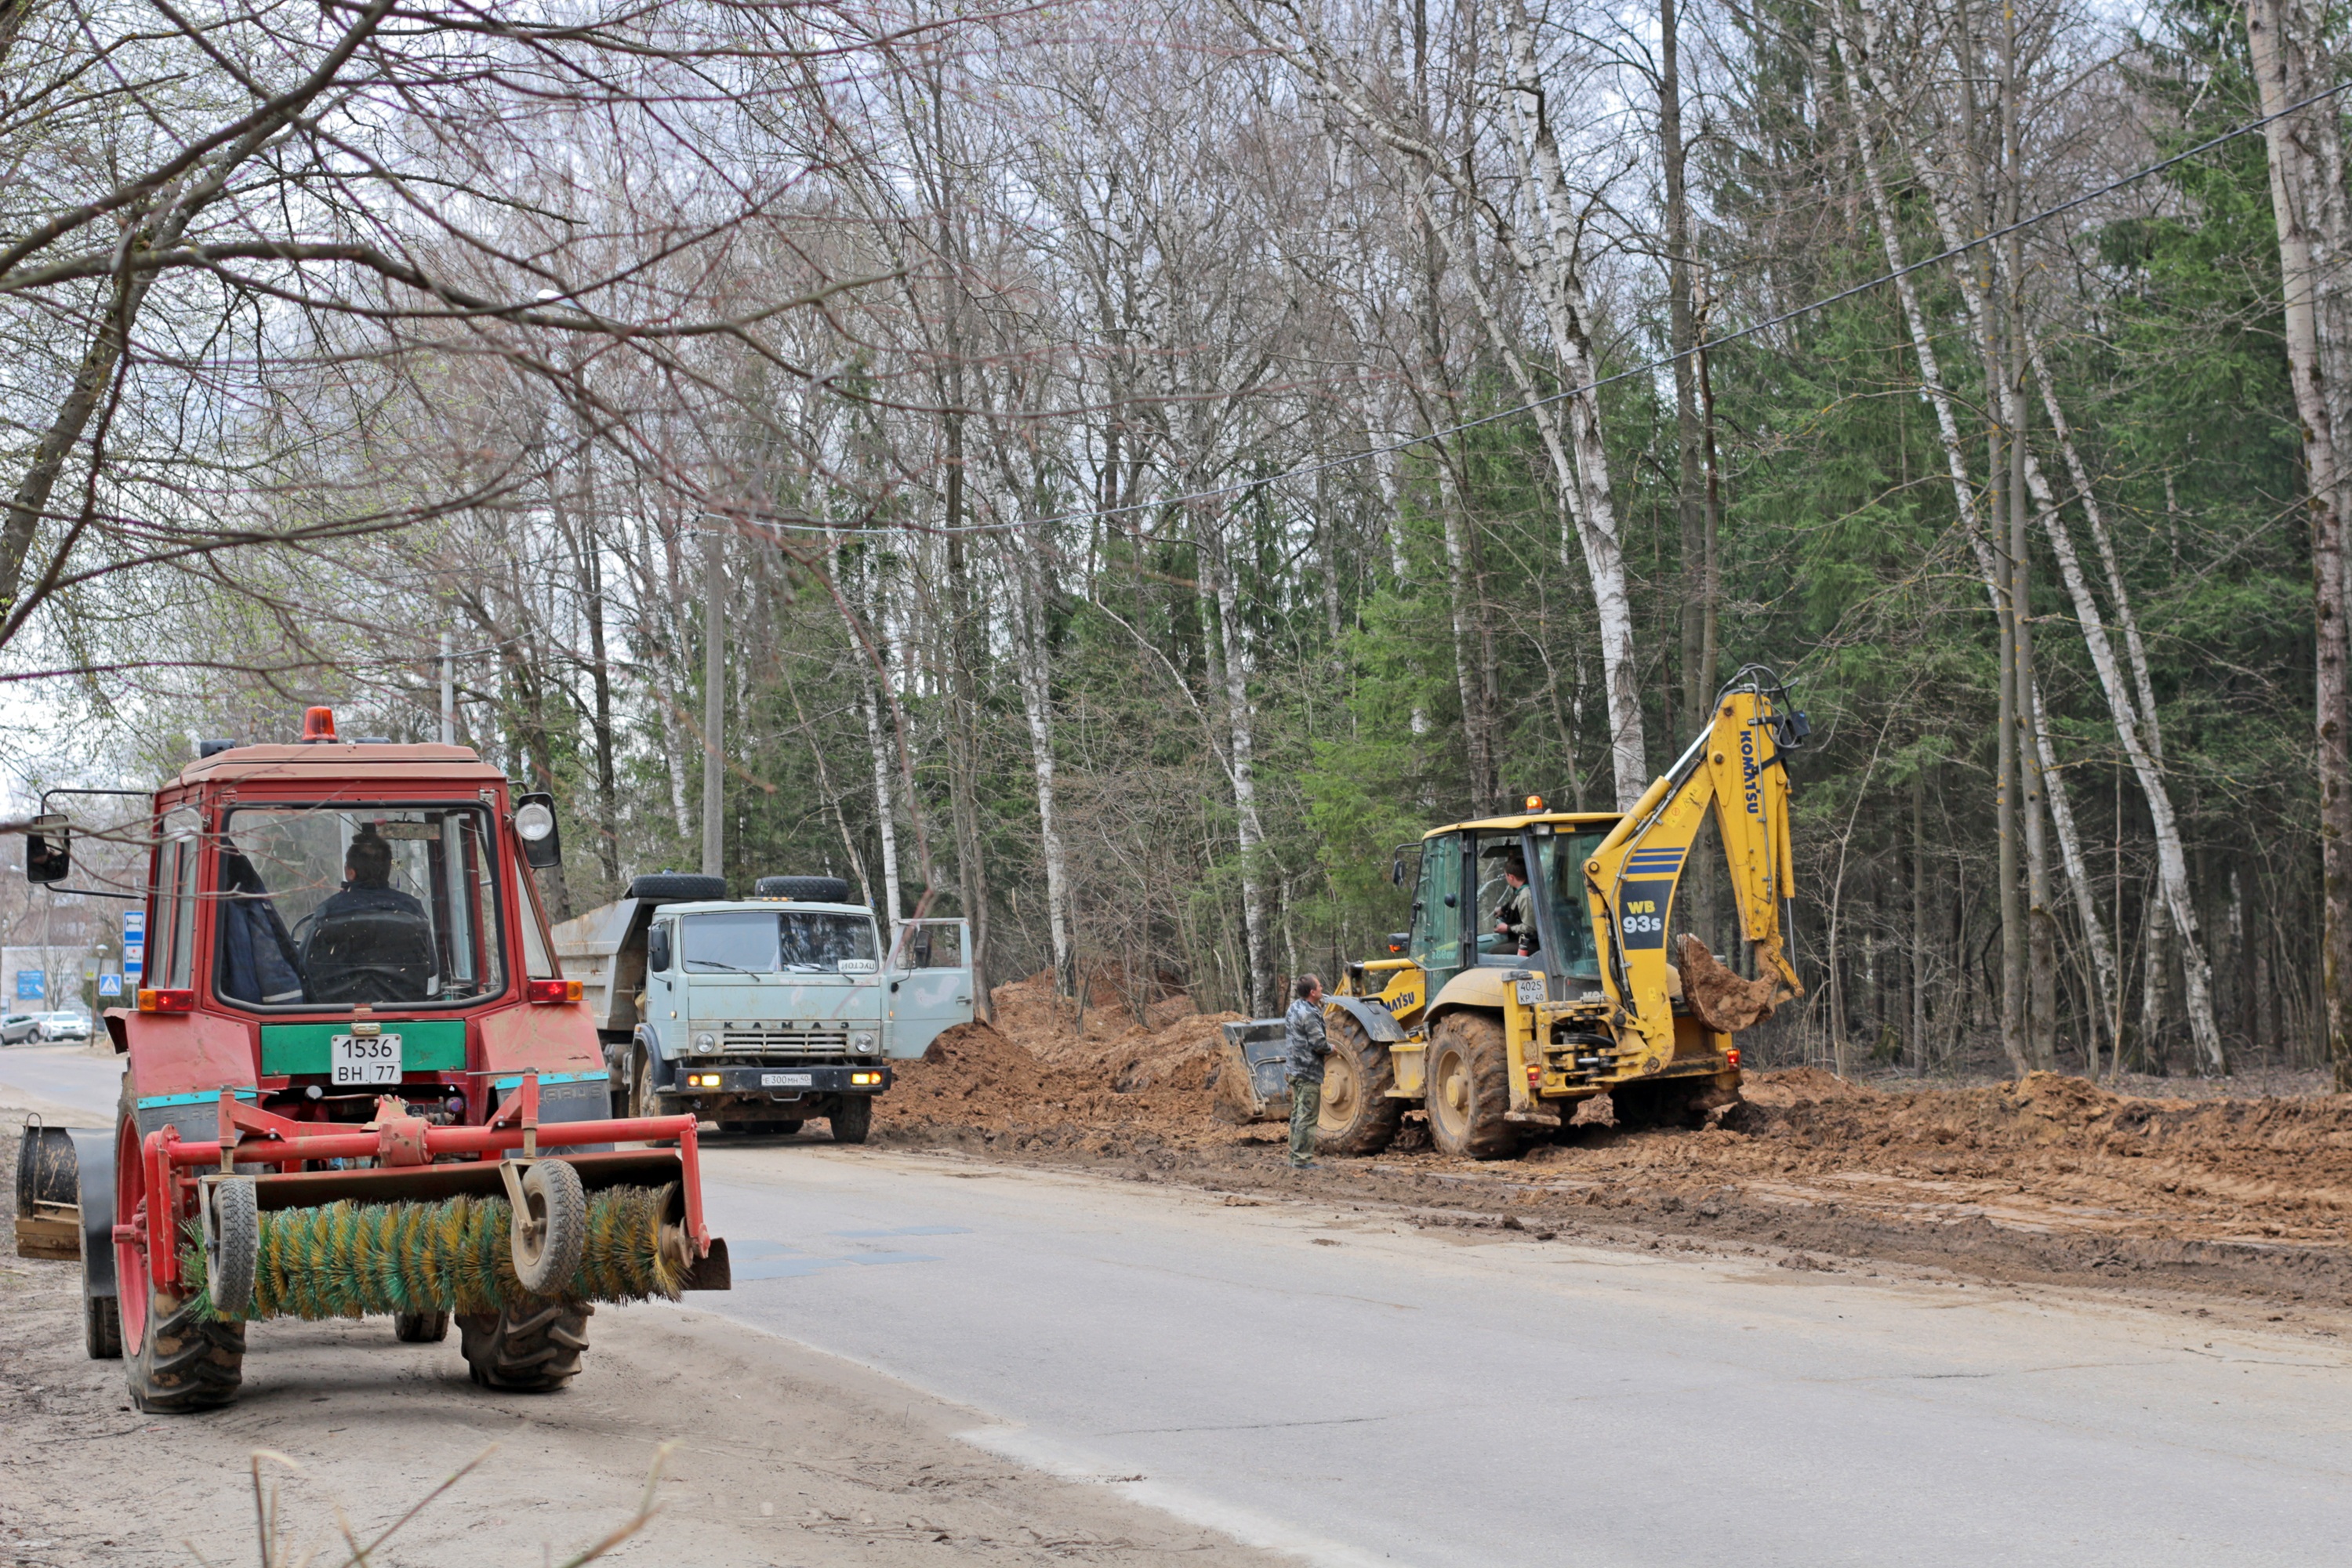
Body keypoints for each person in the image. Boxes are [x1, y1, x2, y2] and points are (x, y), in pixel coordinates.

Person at [299, 826, 434, 1002]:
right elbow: (431, 969)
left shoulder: (328, 911)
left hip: (336, 1017)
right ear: (388, 870)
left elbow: (303, 966)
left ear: (350, 872)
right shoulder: (411, 908)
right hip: (403, 1014)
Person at [1282, 975, 1330, 1169]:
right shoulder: (1310, 1014)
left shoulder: (1294, 1007)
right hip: (1308, 1071)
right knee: (1307, 1116)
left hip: (1294, 1069)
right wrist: (1331, 1049)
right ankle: (1302, 1159)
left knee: (1296, 1114)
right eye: (1319, 986)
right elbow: (1318, 1043)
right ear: (1312, 992)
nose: (1321, 988)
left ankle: (1294, 1156)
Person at [1493, 854, 1537, 956]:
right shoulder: (1520, 891)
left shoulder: (1526, 895)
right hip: (1520, 938)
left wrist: (1507, 928)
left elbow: (1530, 927)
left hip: (1530, 941)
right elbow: (1515, 902)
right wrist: (1503, 909)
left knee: (1493, 952)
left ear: (1511, 877)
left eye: (1506, 876)